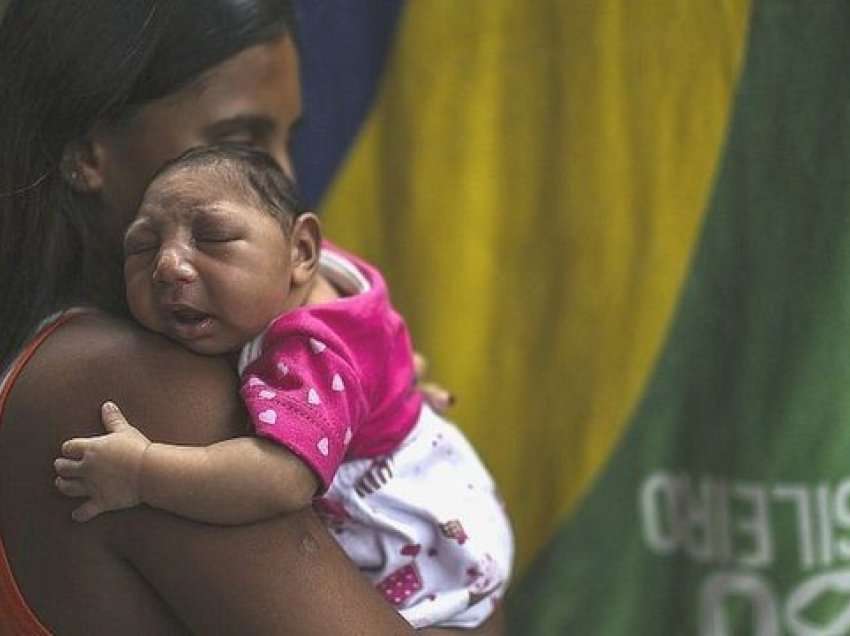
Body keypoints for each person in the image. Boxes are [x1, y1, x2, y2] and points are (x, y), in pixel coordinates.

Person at [0, 1, 505, 633]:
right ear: (87, 152)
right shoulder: (134, 387)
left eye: (286, 142)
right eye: (240, 140)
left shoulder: (70, 351)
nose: (283, 182)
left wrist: (371, 415)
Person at [53, 144, 514, 629]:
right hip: (451, 496)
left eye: (212, 237)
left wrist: (143, 471)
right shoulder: (318, 273)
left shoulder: (310, 350)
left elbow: (282, 478)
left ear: (302, 251)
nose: (167, 266)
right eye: (142, 246)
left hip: (420, 552)